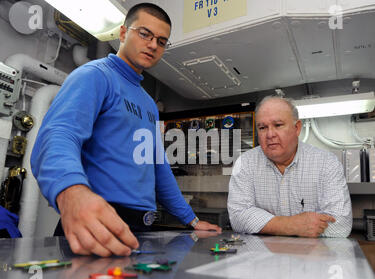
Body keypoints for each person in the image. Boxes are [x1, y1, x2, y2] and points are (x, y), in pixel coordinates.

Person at [31, 3, 221, 257]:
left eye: (161, 41)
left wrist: (192, 220)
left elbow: (158, 167)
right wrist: (71, 193)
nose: (153, 45)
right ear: (122, 33)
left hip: (142, 226)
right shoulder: (95, 76)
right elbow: (59, 135)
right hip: (99, 221)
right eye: (145, 34)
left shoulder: (148, 105)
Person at [227, 96, 352, 238]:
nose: (270, 134)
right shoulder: (245, 163)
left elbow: (341, 224)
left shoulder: (327, 163)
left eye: (278, 125)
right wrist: (290, 225)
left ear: (297, 128)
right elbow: (238, 216)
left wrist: (266, 224)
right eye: (262, 128)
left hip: (312, 257)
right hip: (262, 257)